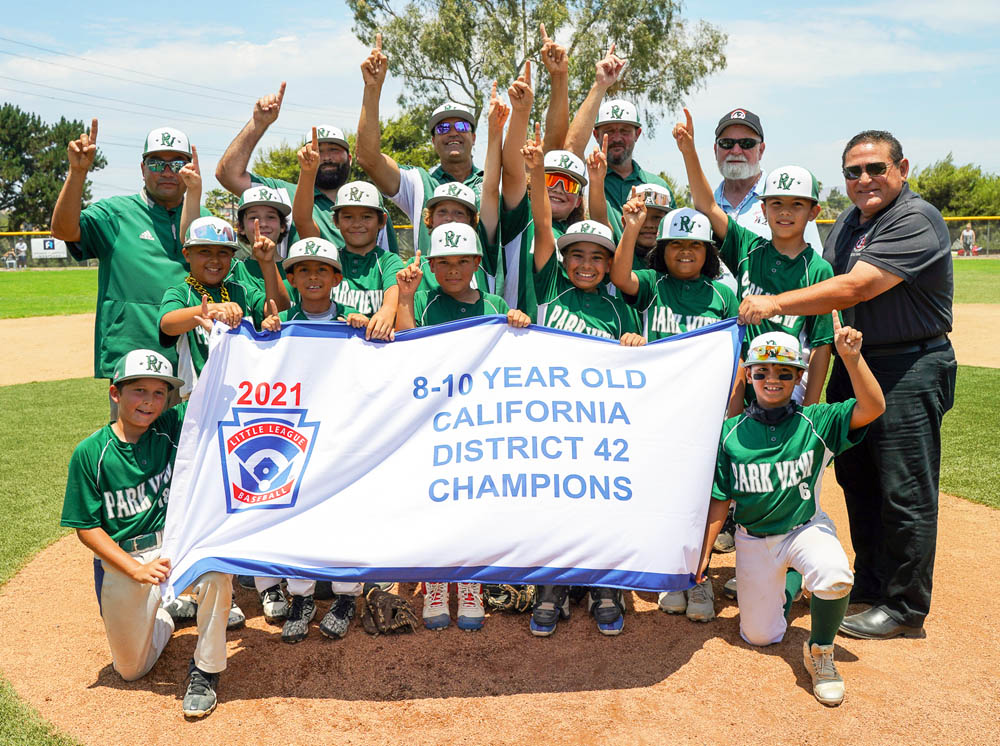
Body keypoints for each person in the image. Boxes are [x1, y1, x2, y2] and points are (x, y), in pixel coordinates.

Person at [738, 130, 956, 640]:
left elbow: (857, 286)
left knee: (904, 489)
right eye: (853, 172)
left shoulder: (914, 217)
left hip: (909, 363)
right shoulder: (850, 226)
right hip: (856, 361)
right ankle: (872, 585)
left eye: (876, 168)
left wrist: (776, 303)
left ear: (902, 167)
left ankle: (903, 607)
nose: (865, 180)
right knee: (857, 478)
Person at [698, 326, 885, 706]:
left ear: (799, 377)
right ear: (748, 375)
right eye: (762, 371)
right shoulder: (730, 433)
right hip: (753, 539)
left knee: (834, 575)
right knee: (761, 636)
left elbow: (873, 408)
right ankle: (789, 583)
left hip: (804, 529)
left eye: (785, 372)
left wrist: (850, 358)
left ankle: (820, 651)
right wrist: (703, 555)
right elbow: (720, 499)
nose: (772, 379)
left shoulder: (815, 421)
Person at [60, 349, 233, 718]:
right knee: (130, 670)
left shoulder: (170, 427)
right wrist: (134, 569)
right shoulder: (91, 453)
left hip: (174, 545)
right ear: (115, 393)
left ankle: (206, 669)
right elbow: (86, 527)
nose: (149, 401)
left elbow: (219, 392)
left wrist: (245, 333)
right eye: (139, 390)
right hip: (126, 559)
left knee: (218, 573)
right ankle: (167, 613)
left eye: (159, 393)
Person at [518, 131, 643, 638]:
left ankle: (604, 585)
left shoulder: (618, 307)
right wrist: (533, 174)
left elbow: (637, 367)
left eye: (598, 256)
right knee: (554, 502)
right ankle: (552, 585)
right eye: (578, 255)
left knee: (600, 502)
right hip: (551, 420)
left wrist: (635, 342)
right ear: (563, 259)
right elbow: (544, 223)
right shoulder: (548, 284)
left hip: (598, 426)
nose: (586, 264)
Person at [394, 222, 531, 631]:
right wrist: (404, 297)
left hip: (480, 424)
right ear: (432, 265)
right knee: (436, 501)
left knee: (472, 500)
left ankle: (469, 581)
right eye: (444, 262)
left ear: (477, 262)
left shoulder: (493, 305)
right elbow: (406, 344)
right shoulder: (423, 302)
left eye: (462, 261)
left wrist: (518, 326)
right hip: (435, 421)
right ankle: (438, 580)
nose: (453, 269)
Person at [51, 121, 210, 409]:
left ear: (191, 168)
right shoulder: (115, 213)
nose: (166, 171)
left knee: (196, 451)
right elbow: (63, 230)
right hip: (134, 358)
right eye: (155, 162)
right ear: (142, 169)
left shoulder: (206, 218)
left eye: (177, 163)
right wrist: (77, 173)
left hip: (199, 359)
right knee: (135, 450)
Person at [256, 237, 367, 642]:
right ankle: (301, 596)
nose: (314, 276)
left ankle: (344, 595)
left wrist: (365, 329)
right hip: (295, 436)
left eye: (322, 269)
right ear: (292, 278)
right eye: (304, 270)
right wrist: (266, 336)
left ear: (337, 277)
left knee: (344, 514)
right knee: (296, 514)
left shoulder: (352, 324)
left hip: (342, 437)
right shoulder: (281, 327)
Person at [214, 83, 397, 254]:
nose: (326, 157)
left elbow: (389, 265)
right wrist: (259, 123)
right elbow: (228, 175)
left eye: (334, 150)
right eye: (317, 150)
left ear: (349, 159)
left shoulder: (371, 203)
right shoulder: (283, 194)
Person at [356, 34, 483, 257]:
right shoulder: (419, 183)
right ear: (433, 141)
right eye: (442, 128)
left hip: (484, 292)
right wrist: (372, 90)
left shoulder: (494, 184)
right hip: (430, 290)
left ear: (473, 137)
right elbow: (369, 159)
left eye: (462, 126)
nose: (453, 132)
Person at [293, 179, 401, 341]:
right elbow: (302, 220)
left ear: (382, 221)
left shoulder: (388, 261)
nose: (357, 224)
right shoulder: (327, 262)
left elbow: (389, 308)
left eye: (366, 217)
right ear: (335, 221)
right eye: (348, 217)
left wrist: (372, 322)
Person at [712, 108, 823, 253]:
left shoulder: (788, 197)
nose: (736, 151)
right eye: (727, 143)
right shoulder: (706, 206)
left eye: (746, 143)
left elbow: (813, 264)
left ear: (761, 150)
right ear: (715, 149)